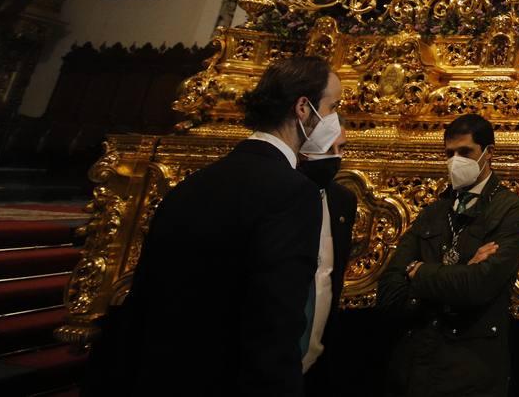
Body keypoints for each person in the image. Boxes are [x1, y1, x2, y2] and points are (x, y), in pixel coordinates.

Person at [86, 56, 340, 397]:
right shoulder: (294, 194)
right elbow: (275, 320)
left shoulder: (193, 184)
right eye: (333, 106)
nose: (337, 121)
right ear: (303, 109)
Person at [377, 113, 519, 397]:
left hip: (471, 368)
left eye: (465, 152)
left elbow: (478, 286)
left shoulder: (511, 210)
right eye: (449, 154)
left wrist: (419, 272)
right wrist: (462, 271)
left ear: (489, 154)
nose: (455, 161)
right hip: (416, 364)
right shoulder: (434, 212)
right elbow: (388, 293)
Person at [301, 128, 359, 397]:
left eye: (342, 149)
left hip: (319, 342)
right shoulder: (280, 192)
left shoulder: (343, 200)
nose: (337, 158)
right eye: (328, 150)